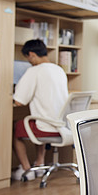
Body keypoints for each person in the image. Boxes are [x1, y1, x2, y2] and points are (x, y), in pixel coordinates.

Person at [11, 39, 68, 181]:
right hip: (63, 126)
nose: (29, 62)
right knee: (37, 120)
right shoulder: (59, 69)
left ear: (31, 54)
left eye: (28, 58)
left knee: (16, 127)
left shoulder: (34, 70)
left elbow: (19, 101)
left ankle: (26, 170)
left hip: (46, 126)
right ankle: (39, 163)